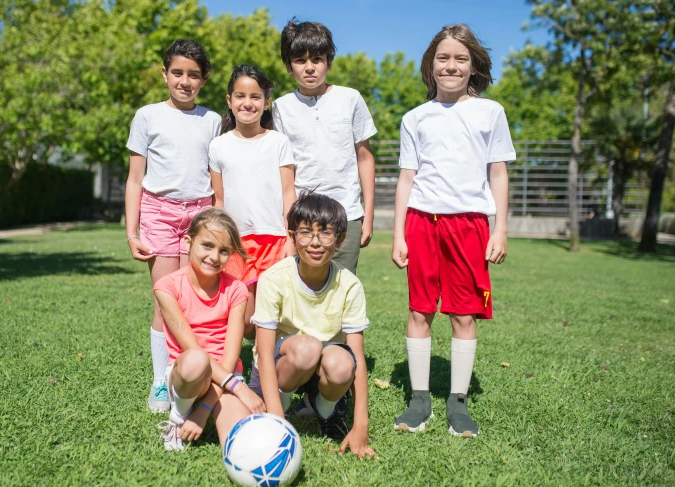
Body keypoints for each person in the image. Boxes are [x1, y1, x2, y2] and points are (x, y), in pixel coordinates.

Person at [392, 24, 515, 438]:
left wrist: (500, 229)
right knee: (419, 310)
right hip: (422, 222)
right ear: (431, 65)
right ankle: (420, 399)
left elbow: (497, 172)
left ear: (473, 66)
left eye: (461, 58)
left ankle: (458, 404)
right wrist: (398, 234)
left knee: (464, 313)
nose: (451, 65)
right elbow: (406, 179)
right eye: (443, 58)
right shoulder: (415, 118)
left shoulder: (490, 112)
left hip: (470, 225)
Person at [125, 40, 222, 414]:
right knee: (166, 298)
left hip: (199, 215)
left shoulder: (212, 120)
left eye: (194, 75)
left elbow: (217, 178)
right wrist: (132, 234)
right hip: (159, 213)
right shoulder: (147, 116)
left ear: (204, 79)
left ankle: (190, 372)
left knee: (194, 297)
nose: (185, 81)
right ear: (164, 73)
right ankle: (161, 380)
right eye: (178, 73)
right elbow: (135, 179)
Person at [247, 192, 376, 459]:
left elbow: (358, 360)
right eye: (305, 232)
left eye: (326, 233)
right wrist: (275, 419)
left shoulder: (350, 285)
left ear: (340, 239)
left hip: (321, 365)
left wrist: (360, 425)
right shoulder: (274, 279)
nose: (315, 243)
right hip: (282, 364)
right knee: (307, 347)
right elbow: (263, 349)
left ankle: (325, 410)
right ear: (292, 236)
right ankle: (279, 411)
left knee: (343, 363)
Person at [154, 208, 266, 451]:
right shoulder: (167, 287)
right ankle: (179, 416)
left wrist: (204, 410)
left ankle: (201, 411)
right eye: (207, 245)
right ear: (188, 242)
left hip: (224, 378)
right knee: (196, 360)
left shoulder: (236, 289)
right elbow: (193, 351)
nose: (214, 257)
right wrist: (239, 388)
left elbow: (229, 358)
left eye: (224, 251)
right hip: (187, 376)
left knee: (241, 444)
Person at [271, 18, 377, 275]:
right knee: (303, 292)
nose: (309, 68)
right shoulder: (280, 108)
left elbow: (364, 157)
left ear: (328, 62)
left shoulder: (350, 98)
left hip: (347, 214)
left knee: (341, 291)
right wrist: (288, 222)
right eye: (300, 60)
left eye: (317, 59)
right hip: (302, 216)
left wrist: (368, 216)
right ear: (288, 66)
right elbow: (284, 170)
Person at [209, 64, 297, 335]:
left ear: (267, 102)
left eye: (255, 97)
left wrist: (291, 238)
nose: (247, 103)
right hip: (236, 244)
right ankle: (233, 368)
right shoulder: (218, 145)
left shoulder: (279, 142)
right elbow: (219, 200)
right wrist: (218, 241)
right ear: (229, 100)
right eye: (240, 96)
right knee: (243, 319)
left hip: (275, 242)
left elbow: (288, 193)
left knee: (272, 317)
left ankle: (268, 372)